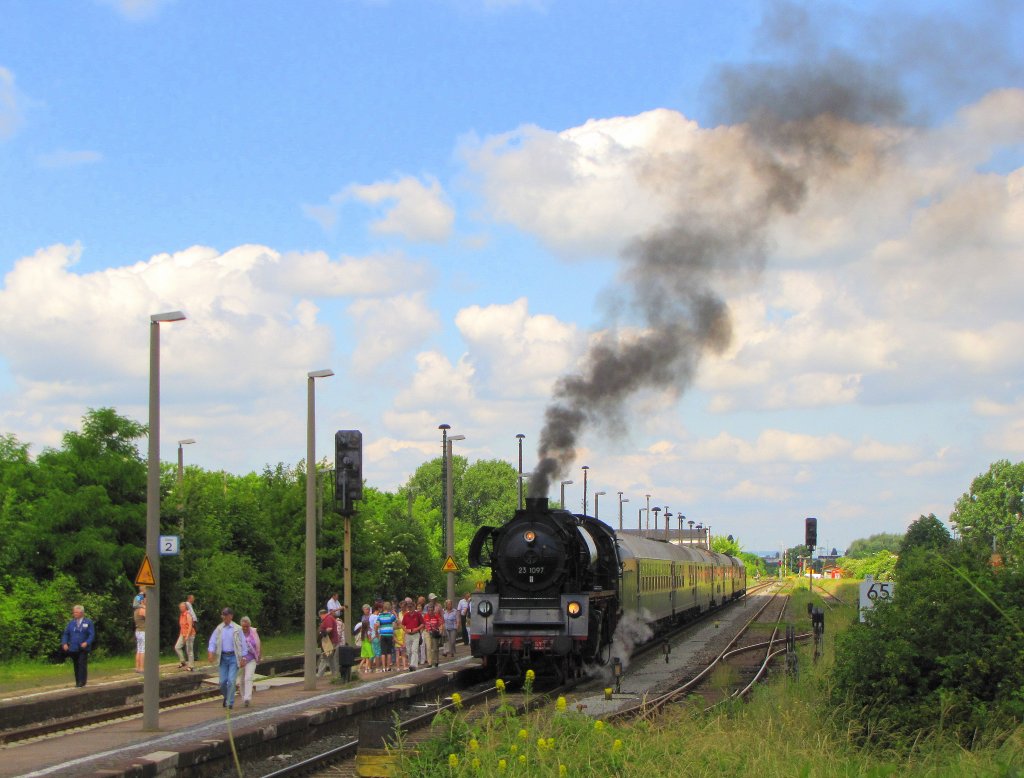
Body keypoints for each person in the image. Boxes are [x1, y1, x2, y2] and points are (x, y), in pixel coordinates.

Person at [207, 607, 246, 709]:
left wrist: (243, 657)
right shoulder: (219, 628)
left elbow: (243, 644)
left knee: (231, 681)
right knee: (222, 682)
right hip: (223, 657)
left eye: (226, 615)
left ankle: (230, 702)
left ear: (231, 616)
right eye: (223, 615)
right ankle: (227, 697)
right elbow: (212, 641)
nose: (224, 617)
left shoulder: (237, 629)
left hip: (234, 657)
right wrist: (211, 651)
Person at [61, 604, 95, 687]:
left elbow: (91, 635)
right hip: (73, 647)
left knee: (82, 664)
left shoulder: (88, 622)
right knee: (76, 664)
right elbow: (66, 634)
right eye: (74, 612)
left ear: (81, 613)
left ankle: (82, 681)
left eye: (76, 612)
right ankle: (77, 681)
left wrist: (87, 642)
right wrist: (64, 643)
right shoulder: (71, 623)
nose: (74, 614)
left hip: (83, 648)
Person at [239, 616, 261, 707]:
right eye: (243, 626)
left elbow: (258, 643)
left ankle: (247, 698)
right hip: (241, 660)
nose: (245, 628)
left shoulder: (253, 632)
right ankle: (243, 696)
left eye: (246, 626)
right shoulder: (237, 633)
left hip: (251, 659)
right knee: (242, 680)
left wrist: (259, 655)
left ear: (249, 625)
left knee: (248, 677)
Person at [316, 608, 340, 678]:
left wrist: (323, 633)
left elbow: (330, 628)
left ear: (322, 614)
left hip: (329, 641)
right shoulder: (329, 618)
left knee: (324, 657)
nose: (320, 618)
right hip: (331, 641)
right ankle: (335, 673)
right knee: (330, 657)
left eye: (320, 616)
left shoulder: (328, 618)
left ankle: (319, 675)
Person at [401, 600, 423, 672]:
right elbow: (402, 624)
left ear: (414, 607)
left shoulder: (418, 614)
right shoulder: (406, 615)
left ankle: (413, 665)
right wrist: (405, 630)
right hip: (408, 634)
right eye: (408, 607)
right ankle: (411, 664)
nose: (410, 608)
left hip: (415, 634)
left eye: (411, 607)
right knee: (409, 651)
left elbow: (422, 623)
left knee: (414, 650)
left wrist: (417, 628)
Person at [175, 601, 196, 670]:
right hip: (182, 633)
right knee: (177, 647)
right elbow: (182, 626)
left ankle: (191, 666)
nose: (180, 608)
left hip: (189, 634)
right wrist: (181, 634)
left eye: (181, 607)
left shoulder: (188, 614)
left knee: (189, 650)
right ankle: (183, 661)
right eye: (180, 607)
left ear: (185, 607)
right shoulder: (181, 615)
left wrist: (187, 635)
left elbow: (190, 626)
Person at [377, 601, 396, 672]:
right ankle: (388, 667)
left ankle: (383, 667)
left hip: (382, 634)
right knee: (389, 652)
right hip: (389, 634)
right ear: (389, 607)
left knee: (383, 652)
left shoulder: (380, 615)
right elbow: (395, 624)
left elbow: (377, 624)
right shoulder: (391, 615)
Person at [355, 604, 374, 674]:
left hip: (363, 645)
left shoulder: (362, 633)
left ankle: (359, 668)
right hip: (368, 645)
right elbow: (369, 640)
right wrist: (373, 638)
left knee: (364, 658)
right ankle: (367, 668)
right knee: (368, 658)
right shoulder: (368, 632)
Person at [422, 602, 442, 668]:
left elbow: (440, 624)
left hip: (434, 632)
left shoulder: (437, 616)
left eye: (431, 610)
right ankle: (429, 663)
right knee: (428, 648)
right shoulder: (425, 616)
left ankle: (436, 661)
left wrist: (440, 630)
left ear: (433, 610)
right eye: (429, 610)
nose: (430, 611)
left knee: (435, 648)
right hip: (427, 632)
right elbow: (423, 624)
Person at [133, 591, 146, 673]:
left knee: (139, 649)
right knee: (143, 650)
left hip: (138, 631)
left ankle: (137, 667)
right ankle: (142, 668)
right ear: (142, 600)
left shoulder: (135, 611)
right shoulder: (142, 610)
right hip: (143, 631)